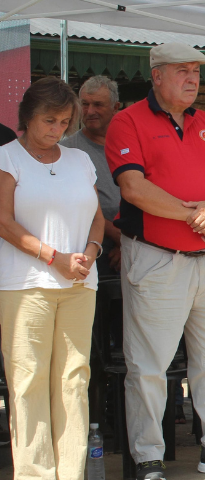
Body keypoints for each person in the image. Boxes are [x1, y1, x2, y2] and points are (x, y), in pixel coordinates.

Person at [104, 43, 205, 479]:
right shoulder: (127, 120)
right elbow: (133, 187)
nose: (193, 79)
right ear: (157, 75)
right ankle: (148, 455)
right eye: (182, 71)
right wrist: (197, 214)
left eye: (196, 71)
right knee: (149, 363)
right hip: (157, 258)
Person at [0, 76, 104, 480]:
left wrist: (90, 254)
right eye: (49, 120)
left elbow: (97, 217)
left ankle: (71, 472)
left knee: (74, 380)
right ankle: (34, 475)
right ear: (27, 117)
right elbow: (4, 222)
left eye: (64, 121)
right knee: (28, 382)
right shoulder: (7, 156)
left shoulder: (80, 160)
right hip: (24, 285)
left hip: (80, 283)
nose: (57, 129)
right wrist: (54, 258)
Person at [62, 75, 123, 279]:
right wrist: (118, 236)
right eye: (84, 104)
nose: (89, 112)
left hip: (138, 247)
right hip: (90, 254)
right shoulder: (66, 150)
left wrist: (130, 244)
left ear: (116, 107)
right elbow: (71, 204)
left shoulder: (131, 145)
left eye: (98, 105)